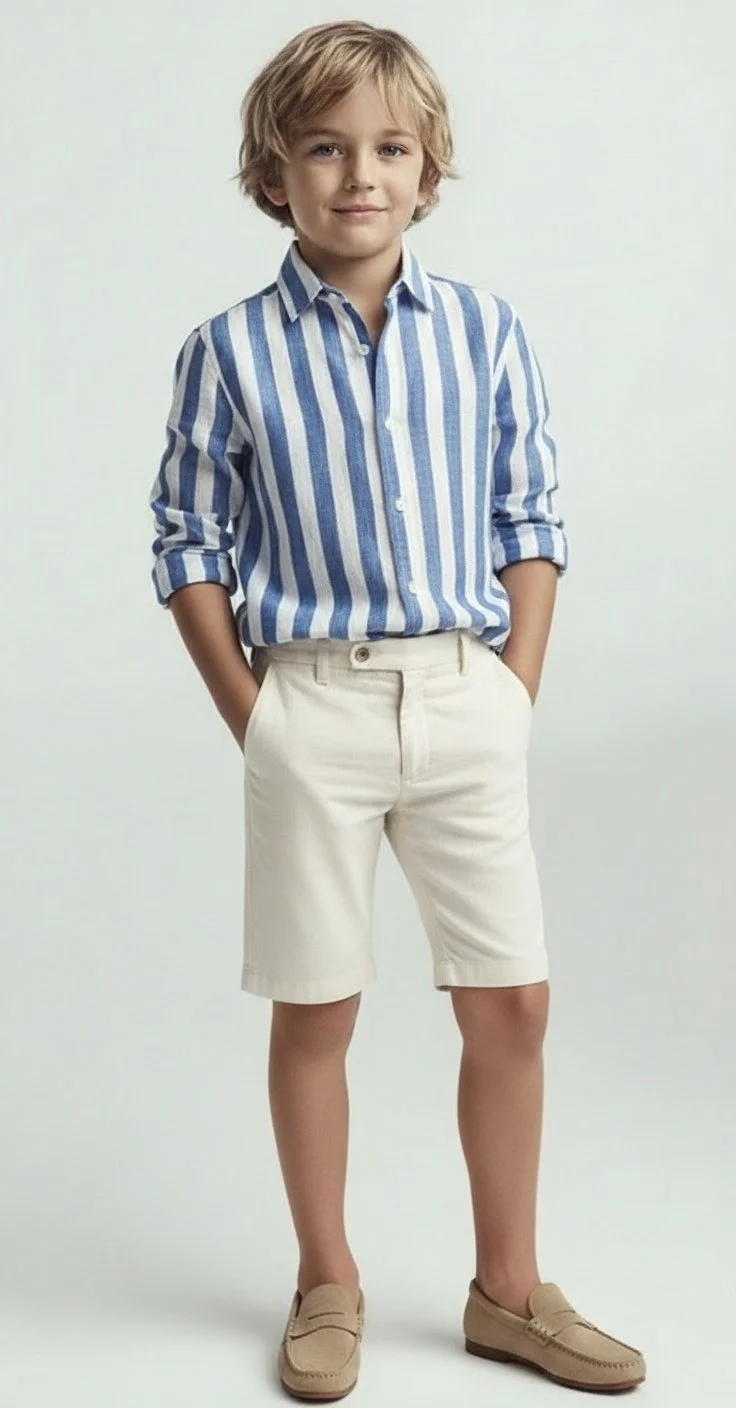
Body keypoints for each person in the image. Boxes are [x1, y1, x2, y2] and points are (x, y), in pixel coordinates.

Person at [147, 19, 646, 1401]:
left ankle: (509, 1291)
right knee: (318, 1009)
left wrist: (512, 688)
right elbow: (187, 541)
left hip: (463, 693)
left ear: (429, 172)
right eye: (324, 148)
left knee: (515, 1002)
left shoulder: (486, 332)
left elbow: (529, 516)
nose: (358, 175)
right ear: (274, 175)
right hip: (310, 702)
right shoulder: (228, 352)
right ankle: (328, 1280)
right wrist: (255, 714)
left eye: (388, 148)